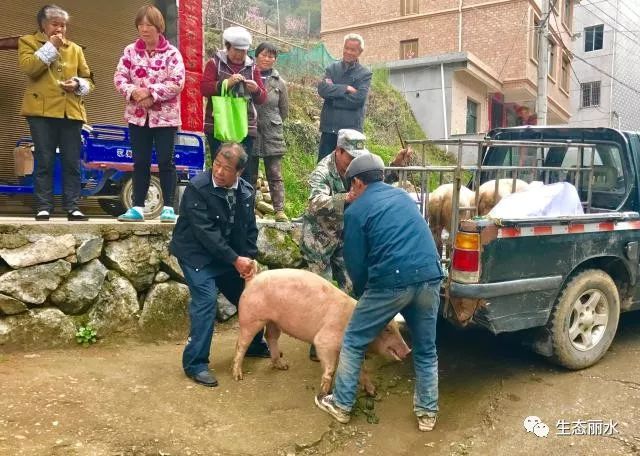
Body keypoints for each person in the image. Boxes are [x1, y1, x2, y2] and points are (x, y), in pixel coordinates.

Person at [314, 153, 444, 432]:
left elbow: (356, 263)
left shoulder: (356, 211)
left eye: (351, 185)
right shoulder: (403, 198)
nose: (351, 191)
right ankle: (427, 414)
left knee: (353, 339)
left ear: (359, 183)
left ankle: (341, 405)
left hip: (391, 281)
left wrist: (363, 296)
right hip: (431, 275)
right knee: (425, 348)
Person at [170, 143, 271, 387]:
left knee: (250, 294)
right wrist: (236, 259)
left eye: (226, 168)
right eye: (216, 164)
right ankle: (195, 364)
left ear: (239, 171)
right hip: (196, 255)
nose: (218, 171)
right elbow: (205, 233)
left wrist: (248, 259)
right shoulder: (197, 188)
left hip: (226, 257)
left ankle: (255, 343)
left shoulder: (245, 192)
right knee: (205, 301)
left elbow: (248, 230)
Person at [18, 4, 94, 221]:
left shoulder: (76, 49)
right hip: (40, 112)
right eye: (55, 24)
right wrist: (51, 46)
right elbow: (30, 68)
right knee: (44, 159)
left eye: (63, 25)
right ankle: (43, 206)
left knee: (72, 161)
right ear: (43, 24)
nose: (60, 29)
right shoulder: (28, 42)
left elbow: (90, 80)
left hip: (70, 112)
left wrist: (78, 83)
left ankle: (73, 206)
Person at [113, 5, 185, 223]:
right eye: (141, 25)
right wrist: (134, 92)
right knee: (140, 161)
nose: (144, 29)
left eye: (149, 25)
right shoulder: (130, 51)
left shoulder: (172, 53)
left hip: (166, 117)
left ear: (159, 27)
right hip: (137, 115)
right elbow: (119, 77)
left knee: (166, 161)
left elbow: (177, 81)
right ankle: (137, 207)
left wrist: (151, 93)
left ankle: (169, 208)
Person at [201, 26, 266, 189]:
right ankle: (218, 205)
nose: (239, 55)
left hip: (245, 126)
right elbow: (204, 88)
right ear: (227, 46)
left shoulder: (252, 68)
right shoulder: (214, 63)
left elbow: (262, 98)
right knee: (220, 167)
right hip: (218, 125)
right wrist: (225, 84)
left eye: (243, 51)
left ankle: (241, 208)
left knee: (242, 169)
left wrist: (256, 89)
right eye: (236, 50)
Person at [316, 33, 371, 163]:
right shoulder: (332, 69)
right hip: (329, 129)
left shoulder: (364, 74)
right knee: (324, 167)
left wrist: (333, 98)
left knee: (349, 170)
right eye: (346, 48)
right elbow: (323, 89)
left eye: (353, 50)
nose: (348, 52)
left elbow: (358, 99)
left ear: (360, 52)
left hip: (351, 131)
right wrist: (345, 88)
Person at [254, 42, 289, 222]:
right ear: (256, 55)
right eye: (264, 55)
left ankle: (279, 210)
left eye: (272, 56)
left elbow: (284, 111)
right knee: (249, 172)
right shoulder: (248, 75)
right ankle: (246, 209)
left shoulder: (279, 83)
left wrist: (272, 122)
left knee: (275, 173)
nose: (268, 59)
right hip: (251, 129)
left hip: (272, 131)